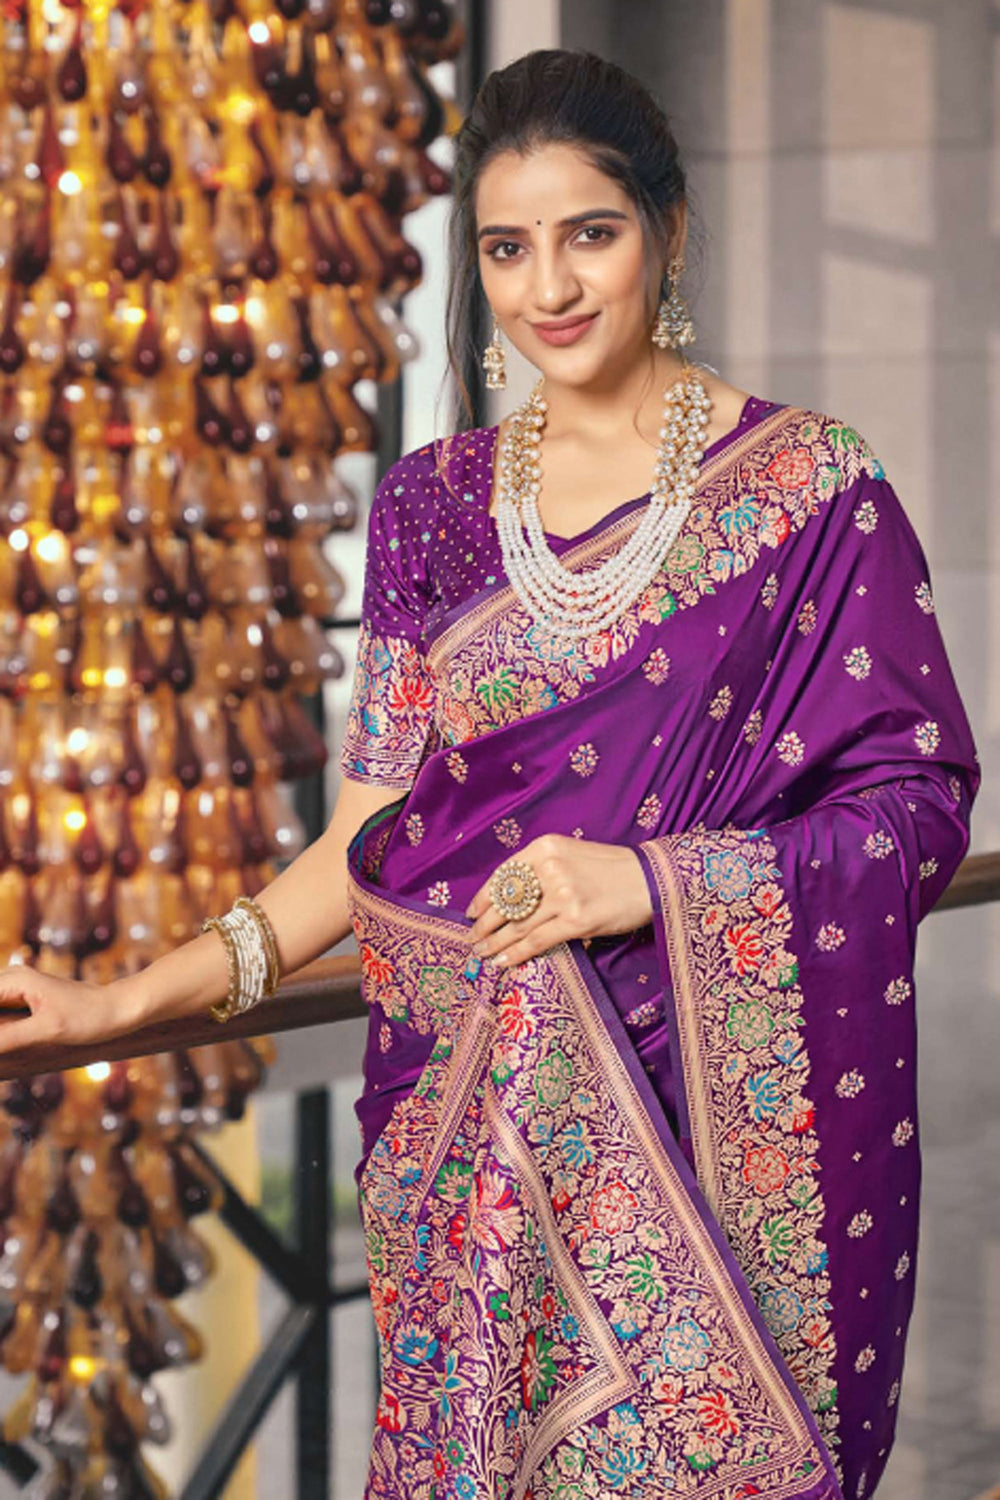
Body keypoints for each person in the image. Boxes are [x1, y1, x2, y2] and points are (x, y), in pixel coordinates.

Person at [0, 46, 981, 1500]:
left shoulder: (813, 493)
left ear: (668, 231)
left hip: (709, 1143)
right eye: (508, 248)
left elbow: (915, 803)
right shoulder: (431, 507)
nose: (550, 288)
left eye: (591, 233)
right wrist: (123, 1002)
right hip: (465, 1126)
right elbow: (366, 838)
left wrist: (651, 883)